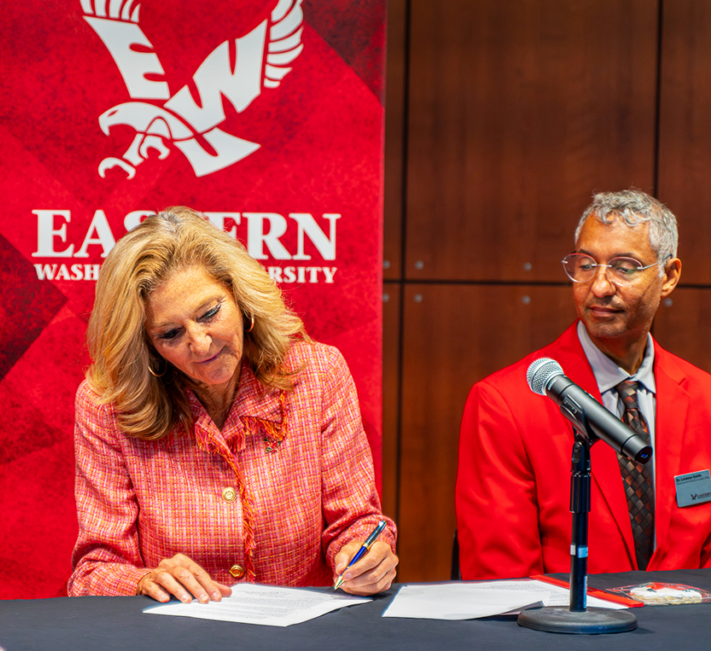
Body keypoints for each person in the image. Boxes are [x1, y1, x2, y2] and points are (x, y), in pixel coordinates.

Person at [68, 206, 397, 603]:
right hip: (176, 645)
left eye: (209, 313)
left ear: (240, 298)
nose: (201, 344)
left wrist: (367, 555)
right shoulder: (109, 407)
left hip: (303, 641)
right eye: (171, 333)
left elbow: (357, 524)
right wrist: (141, 581)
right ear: (146, 346)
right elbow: (94, 572)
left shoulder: (318, 373)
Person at [456, 188, 711, 580]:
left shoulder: (705, 398)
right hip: (567, 635)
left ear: (669, 277)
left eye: (624, 266)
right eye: (586, 264)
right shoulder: (506, 403)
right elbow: (502, 584)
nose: (600, 286)